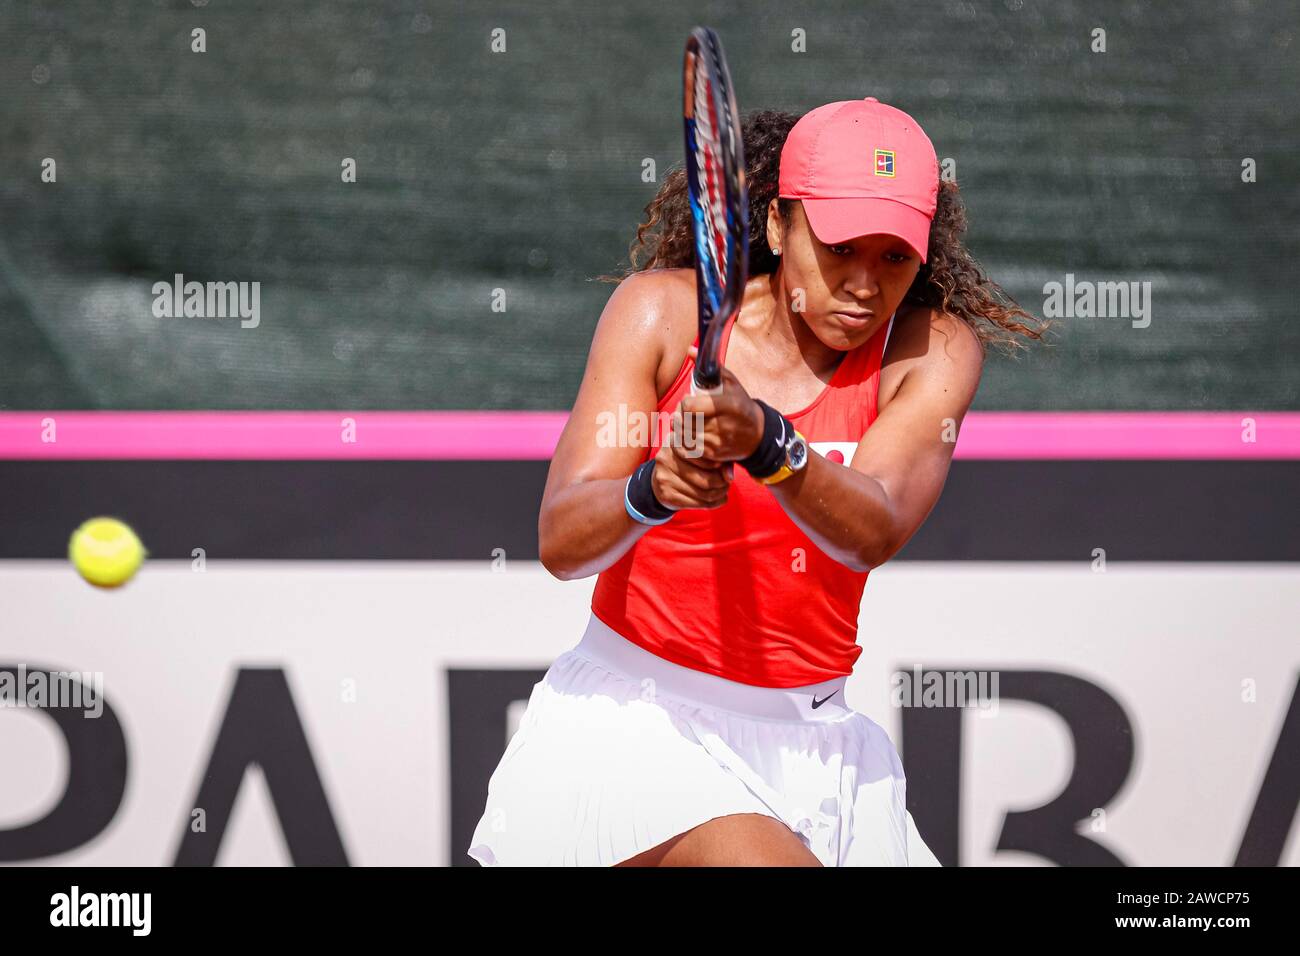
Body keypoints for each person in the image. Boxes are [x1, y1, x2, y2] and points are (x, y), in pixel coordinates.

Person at [468, 97, 1044, 866]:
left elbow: (872, 529)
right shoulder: (657, 315)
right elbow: (562, 541)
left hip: (819, 744)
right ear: (779, 226)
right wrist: (655, 488)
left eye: (893, 257)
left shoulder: (935, 351)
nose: (865, 285)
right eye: (840, 248)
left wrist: (768, 441)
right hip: (638, 728)